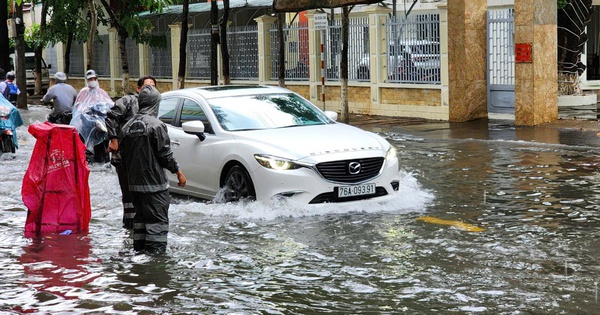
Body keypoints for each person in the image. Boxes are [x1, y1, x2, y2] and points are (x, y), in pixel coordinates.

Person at [120, 85, 186, 254]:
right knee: (158, 224)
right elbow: (165, 155)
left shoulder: (127, 127)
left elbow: (123, 157)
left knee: (140, 222)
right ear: (155, 104)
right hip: (155, 187)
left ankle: (140, 256)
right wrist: (178, 172)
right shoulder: (157, 126)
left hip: (135, 186)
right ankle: (156, 263)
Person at [105, 76, 157, 229]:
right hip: (124, 154)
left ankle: (140, 224)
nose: (150, 90)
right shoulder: (128, 101)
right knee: (128, 192)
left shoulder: (154, 106)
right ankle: (129, 225)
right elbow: (111, 116)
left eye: (153, 87)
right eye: (147, 87)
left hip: (143, 157)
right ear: (138, 89)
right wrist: (113, 139)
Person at [71, 69, 113, 163]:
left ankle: (104, 157)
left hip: (100, 121)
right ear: (87, 80)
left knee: (105, 137)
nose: (93, 81)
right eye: (90, 79)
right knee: (82, 137)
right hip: (87, 121)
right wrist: (85, 110)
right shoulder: (83, 92)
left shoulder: (101, 92)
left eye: (94, 79)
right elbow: (78, 107)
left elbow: (109, 104)